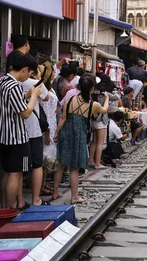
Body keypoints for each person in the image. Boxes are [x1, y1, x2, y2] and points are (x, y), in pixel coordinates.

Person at [0, 53, 41, 210]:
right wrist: (33, 97)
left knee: (7, 171)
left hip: (2, 135)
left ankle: (4, 209)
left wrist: (26, 95)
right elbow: (25, 113)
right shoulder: (14, 86)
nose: (28, 78)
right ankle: (9, 209)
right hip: (16, 137)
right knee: (17, 173)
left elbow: (10, 103)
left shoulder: (0, 82)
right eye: (30, 74)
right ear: (25, 69)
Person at [53, 75, 108, 204]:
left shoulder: (71, 99)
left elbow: (63, 118)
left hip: (66, 132)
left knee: (61, 164)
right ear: (91, 89)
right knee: (74, 168)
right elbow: (104, 110)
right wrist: (107, 99)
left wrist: (56, 132)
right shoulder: (93, 105)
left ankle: (55, 193)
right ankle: (74, 197)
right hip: (79, 136)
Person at [20, 66, 50, 206]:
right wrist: (38, 79)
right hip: (34, 131)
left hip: (18, 133)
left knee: (19, 168)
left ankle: (19, 201)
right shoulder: (35, 83)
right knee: (37, 165)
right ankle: (36, 199)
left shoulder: (8, 83)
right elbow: (47, 97)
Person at [40, 70, 59, 198]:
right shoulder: (41, 89)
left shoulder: (50, 88)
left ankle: (43, 183)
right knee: (44, 158)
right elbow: (44, 111)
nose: (54, 73)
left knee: (47, 158)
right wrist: (47, 131)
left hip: (52, 124)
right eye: (52, 72)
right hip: (46, 126)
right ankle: (40, 186)